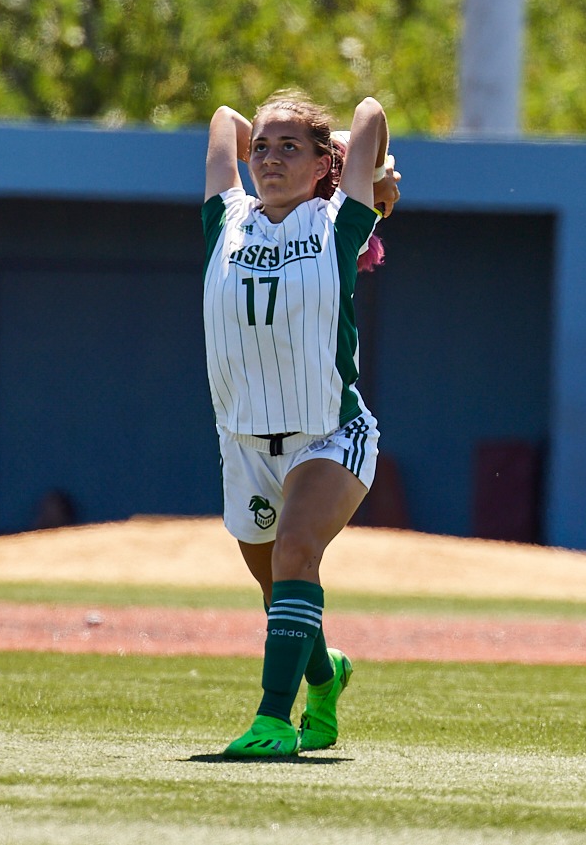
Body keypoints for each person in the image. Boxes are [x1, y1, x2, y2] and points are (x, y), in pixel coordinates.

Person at [202, 89, 399, 757]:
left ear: (324, 165)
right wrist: (267, 131)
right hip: (244, 441)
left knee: (294, 553)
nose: (268, 157)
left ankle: (271, 720)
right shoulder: (225, 220)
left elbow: (371, 110)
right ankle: (325, 674)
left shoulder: (340, 222)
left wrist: (353, 164)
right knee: (279, 587)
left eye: (291, 147)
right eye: (263, 147)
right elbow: (223, 122)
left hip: (329, 431)